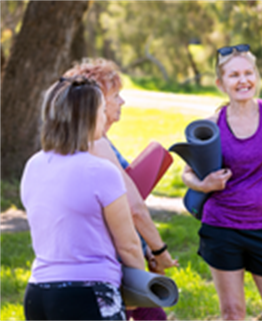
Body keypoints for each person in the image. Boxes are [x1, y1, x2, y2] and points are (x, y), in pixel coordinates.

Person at [182, 44, 262, 320]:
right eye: (234, 75)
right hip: (222, 229)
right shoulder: (212, 125)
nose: (243, 80)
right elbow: (186, 172)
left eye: (249, 73)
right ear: (220, 83)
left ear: (257, 76)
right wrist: (204, 185)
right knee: (233, 313)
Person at [21, 76, 144, 321]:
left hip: (38, 295)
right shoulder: (101, 171)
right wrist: (139, 293)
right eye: (101, 110)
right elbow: (128, 245)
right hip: (89, 294)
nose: (103, 117)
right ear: (89, 117)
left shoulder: (34, 164)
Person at [64, 59, 177, 321]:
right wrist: (159, 252)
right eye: (115, 95)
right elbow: (133, 207)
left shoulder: (77, 142)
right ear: (96, 101)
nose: (122, 102)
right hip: (113, 262)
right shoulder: (97, 144)